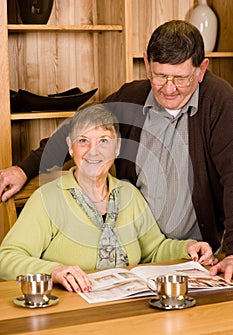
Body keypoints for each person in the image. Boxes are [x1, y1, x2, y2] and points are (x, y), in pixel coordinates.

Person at [0, 20, 232, 279]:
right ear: (146, 64)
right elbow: (81, 127)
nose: (169, 88)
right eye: (160, 76)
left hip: (195, 258)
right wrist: (24, 168)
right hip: (143, 262)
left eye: (180, 79)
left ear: (201, 70)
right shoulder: (131, 97)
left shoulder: (219, 101)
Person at [0, 104, 214, 292]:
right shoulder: (47, 199)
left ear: (118, 147)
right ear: (70, 146)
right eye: (83, 140)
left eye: (104, 140)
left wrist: (188, 248)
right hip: (69, 317)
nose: (94, 152)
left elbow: (154, 250)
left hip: (126, 313)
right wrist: (54, 271)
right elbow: (6, 258)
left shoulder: (130, 194)